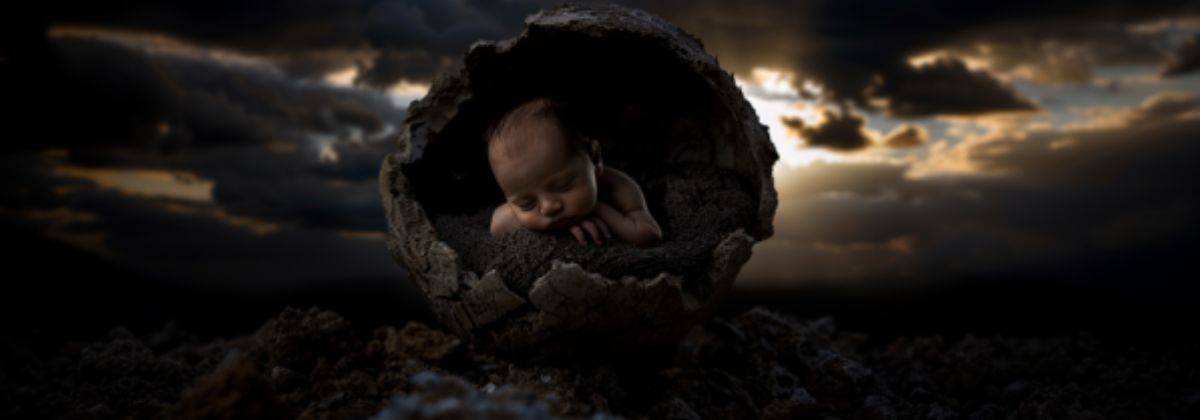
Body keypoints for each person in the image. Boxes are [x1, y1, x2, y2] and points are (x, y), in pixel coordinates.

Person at [486, 97, 662, 248]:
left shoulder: (617, 185)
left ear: (594, 159)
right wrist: (564, 227)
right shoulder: (528, 203)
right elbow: (499, 226)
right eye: (526, 204)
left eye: (563, 186)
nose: (548, 207)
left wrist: (597, 209)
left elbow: (648, 235)